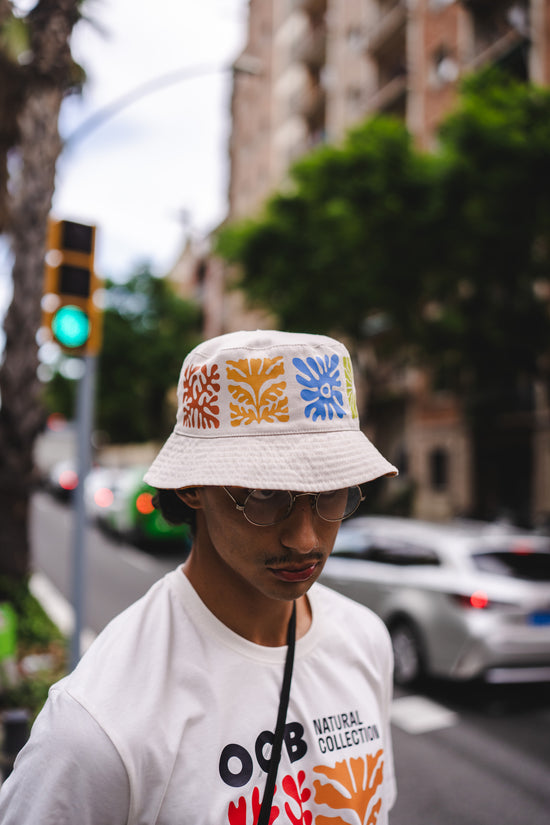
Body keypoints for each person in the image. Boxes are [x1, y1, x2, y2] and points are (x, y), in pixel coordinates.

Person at [0, 329, 398, 824]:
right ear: (192, 487)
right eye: (263, 495)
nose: (305, 539)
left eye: (331, 494)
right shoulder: (98, 726)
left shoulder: (365, 640)